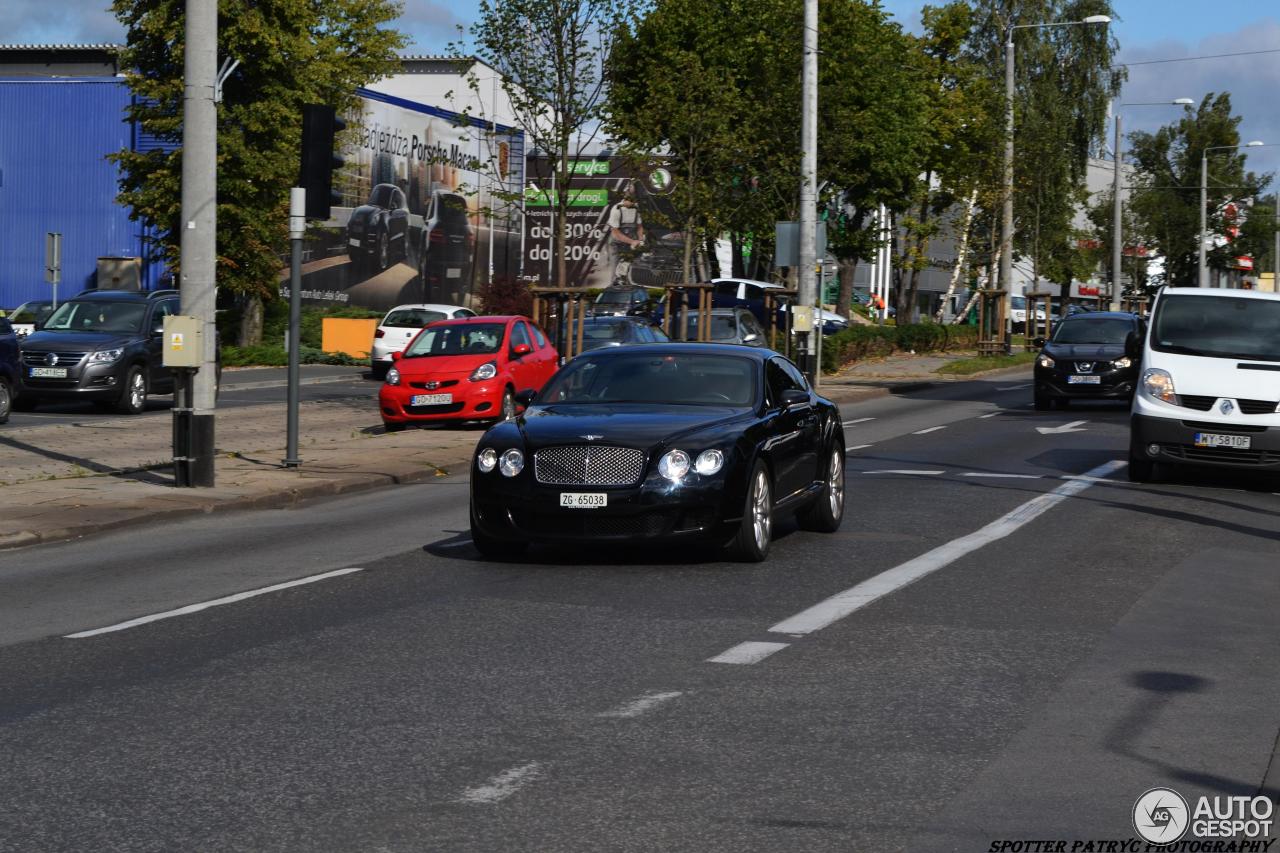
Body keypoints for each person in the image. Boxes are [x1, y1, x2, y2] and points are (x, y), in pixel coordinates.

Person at [607, 190, 645, 284]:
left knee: (630, 270)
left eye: (633, 201)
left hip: (630, 244)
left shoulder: (637, 208)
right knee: (616, 271)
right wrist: (632, 242)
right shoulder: (616, 209)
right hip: (616, 244)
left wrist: (640, 240)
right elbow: (616, 233)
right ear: (624, 199)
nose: (630, 203)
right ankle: (614, 287)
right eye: (628, 200)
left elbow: (639, 226)